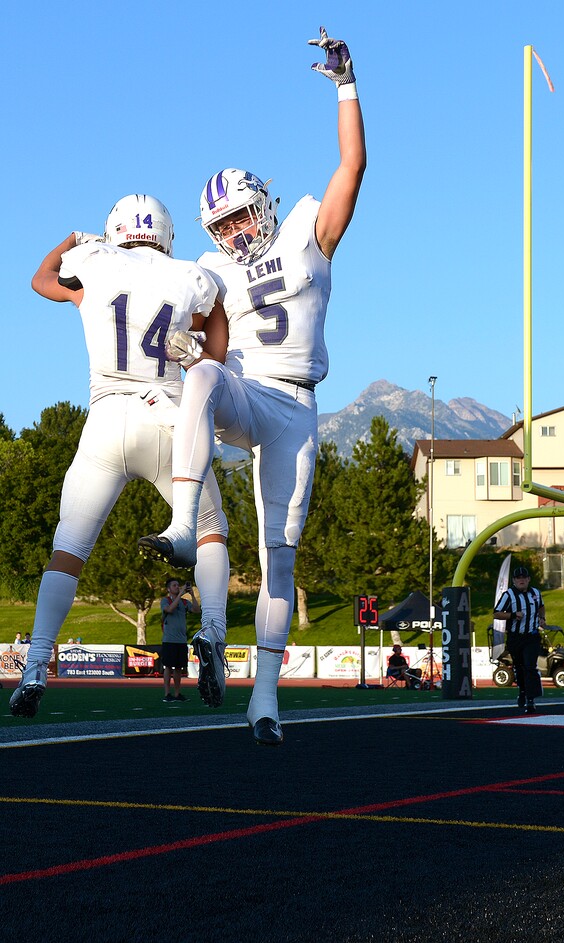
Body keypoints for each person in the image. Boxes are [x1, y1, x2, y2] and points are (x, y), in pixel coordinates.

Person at [138, 26, 366, 747]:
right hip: (248, 388)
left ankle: (263, 699)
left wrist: (346, 85)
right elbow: (211, 350)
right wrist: (181, 350)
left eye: (239, 213)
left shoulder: (306, 232)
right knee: (203, 372)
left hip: (296, 406)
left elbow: (352, 166)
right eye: (222, 222)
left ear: (261, 203)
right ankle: (183, 523)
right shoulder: (215, 268)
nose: (234, 230)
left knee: (279, 556)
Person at [9, 195, 231, 719]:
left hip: (107, 418)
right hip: (169, 417)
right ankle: (215, 637)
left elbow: (41, 281)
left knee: (68, 551)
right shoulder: (190, 274)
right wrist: (196, 347)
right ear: (167, 234)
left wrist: (71, 240)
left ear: (114, 231)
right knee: (210, 531)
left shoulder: (95, 264)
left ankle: (37, 663)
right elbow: (216, 349)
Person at [493, 566, 546, 713]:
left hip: (532, 636)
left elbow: (541, 606)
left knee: (530, 666)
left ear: (528, 579)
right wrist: (512, 615)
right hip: (515, 637)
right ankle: (522, 691)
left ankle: (531, 699)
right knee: (520, 667)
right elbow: (496, 613)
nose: (521, 580)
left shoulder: (536, 593)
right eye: (518, 578)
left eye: (524, 577)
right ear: (514, 581)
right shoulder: (508, 595)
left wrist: (542, 618)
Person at [161, 577, 200, 701]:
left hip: (181, 640)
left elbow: (196, 610)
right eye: (174, 585)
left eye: (178, 585)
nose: (177, 587)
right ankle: (167, 694)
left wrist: (192, 595)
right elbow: (170, 609)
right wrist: (180, 596)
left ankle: (177, 694)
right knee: (168, 667)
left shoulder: (184, 602)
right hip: (169, 640)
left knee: (179, 668)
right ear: (168, 589)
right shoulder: (165, 600)